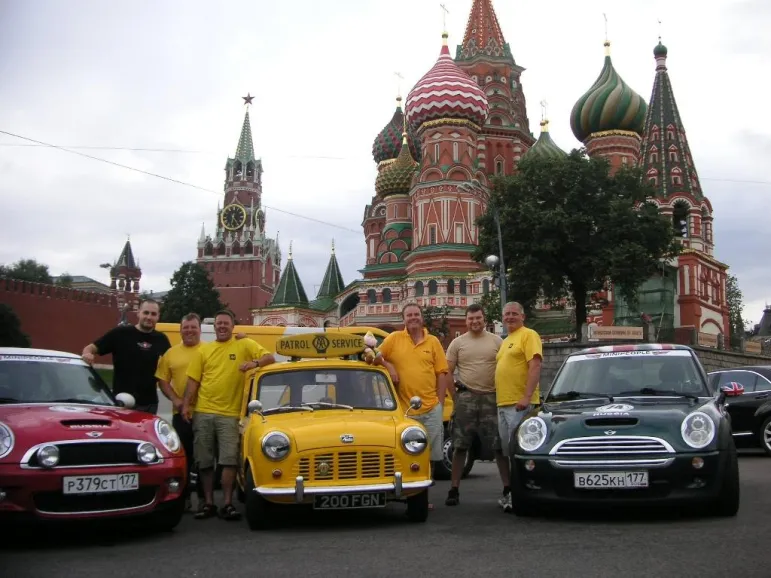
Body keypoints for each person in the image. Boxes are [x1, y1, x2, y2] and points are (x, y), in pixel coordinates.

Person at [182, 309, 275, 521]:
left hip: (230, 415)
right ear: (213, 327)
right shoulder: (203, 351)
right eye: (219, 323)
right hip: (203, 412)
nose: (222, 326)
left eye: (226, 323)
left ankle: (227, 503)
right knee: (205, 462)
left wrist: (254, 363)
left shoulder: (244, 344)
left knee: (229, 461)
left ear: (233, 327)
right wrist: (186, 405)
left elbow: (269, 357)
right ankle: (208, 503)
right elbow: (193, 381)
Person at [374, 302, 450, 510]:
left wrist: (440, 403)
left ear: (421, 317)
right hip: (405, 411)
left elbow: (442, 373)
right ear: (404, 319)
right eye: (409, 315)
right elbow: (371, 355)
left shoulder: (433, 342)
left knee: (431, 456)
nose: (413, 318)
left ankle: (422, 497)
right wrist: (387, 365)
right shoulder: (394, 339)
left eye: (416, 314)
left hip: (431, 407)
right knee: (407, 454)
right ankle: (411, 494)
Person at [443, 303, 505, 507]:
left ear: (484, 319)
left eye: (478, 318)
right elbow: (447, 372)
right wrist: (455, 396)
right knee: (460, 445)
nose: (475, 321)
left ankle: (508, 487)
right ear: (466, 321)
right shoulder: (457, 343)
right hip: (466, 398)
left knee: (499, 446)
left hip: (491, 397)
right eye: (471, 319)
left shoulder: (497, 341)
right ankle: (454, 489)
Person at [495, 301, 543, 513]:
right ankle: (513, 493)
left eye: (514, 313)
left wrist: (526, 396)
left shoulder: (529, 335)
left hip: (519, 404)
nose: (510, 317)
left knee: (518, 453)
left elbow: (535, 364)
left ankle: (522, 496)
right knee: (508, 453)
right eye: (507, 314)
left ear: (522, 316)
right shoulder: (506, 341)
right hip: (503, 404)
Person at [82, 299, 171, 413]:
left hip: (149, 404)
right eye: (146, 312)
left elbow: (172, 364)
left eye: (153, 314)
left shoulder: (161, 339)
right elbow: (90, 348)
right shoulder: (120, 333)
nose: (149, 317)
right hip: (121, 402)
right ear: (138, 313)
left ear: (158, 316)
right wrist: (87, 354)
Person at [155, 312, 205, 511]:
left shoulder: (209, 350)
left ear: (200, 330)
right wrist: (176, 399)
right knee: (183, 458)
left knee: (204, 459)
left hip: (204, 412)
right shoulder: (171, 354)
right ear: (180, 330)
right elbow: (162, 379)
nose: (190, 331)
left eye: (193, 327)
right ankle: (182, 498)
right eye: (186, 328)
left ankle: (203, 499)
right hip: (180, 415)